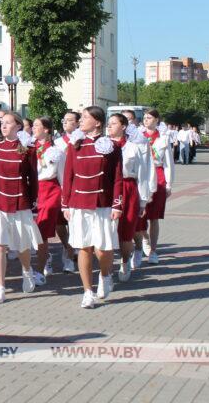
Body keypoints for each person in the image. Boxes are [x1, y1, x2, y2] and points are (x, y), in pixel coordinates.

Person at [61, 106, 123, 308]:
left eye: (85, 117)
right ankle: (88, 291)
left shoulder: (111, 146)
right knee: (83, 247)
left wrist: (117, 204)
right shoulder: (75, 145)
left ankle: (105, 275)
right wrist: (65, 204)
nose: (81, 120)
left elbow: (117, 177)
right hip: (79, 204)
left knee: (103, 249)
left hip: (102, 204)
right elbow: (68, 175)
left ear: (97, 122)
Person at [0, 112, 41, 303]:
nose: (4, 126)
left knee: (22, 244)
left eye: (8, 123)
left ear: (18, 126)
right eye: (2, 123)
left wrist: (32, 205)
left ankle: (26, 270)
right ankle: (0, 288)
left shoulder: (27, 150)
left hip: (20, 203)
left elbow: (33, 181)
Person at [107, 114, 156, 283]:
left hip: (128, 188)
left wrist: (143, 201)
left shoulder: (133, 147)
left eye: (114, 123)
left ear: (124, 126)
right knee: (108, 231)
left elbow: (142, 175)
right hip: (109, 190)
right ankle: (106, 268)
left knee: (126, 230)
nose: (110, 126)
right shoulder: (104, 146)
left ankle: (125, 261)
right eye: (109, 123)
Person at [31, 116, 65, 285]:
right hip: (32, 191)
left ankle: (39, 269)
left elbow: (62, 176)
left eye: (37, 125)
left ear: (46, 129)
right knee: (32, 232)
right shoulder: (28, 148)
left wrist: (66, 200)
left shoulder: (56, 150)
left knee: (42, 232)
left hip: (49, 191)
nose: (33, 128)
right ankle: (45, 257)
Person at [140, 109, 174, 266]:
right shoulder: (138, 137)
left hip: (158, 176)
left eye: (150, 118)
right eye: (145, 118)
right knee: (139, 216)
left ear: (157, 120)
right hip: (141, 177)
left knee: (153, 217)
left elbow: (168, 164)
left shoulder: (163, 139)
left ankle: (153, 250)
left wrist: (169, 184)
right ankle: (144, 240)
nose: (146, 120)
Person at [53, 110, 81, 272]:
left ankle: (74, 251)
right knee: (60, 222)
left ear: (77, 123)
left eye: (70, 120)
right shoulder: (58, 142)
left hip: (78, 185)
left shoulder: (81, 141)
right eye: (64, 120)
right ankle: (66, 247)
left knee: (75, 221)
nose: (65, 122)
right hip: (61, 185)